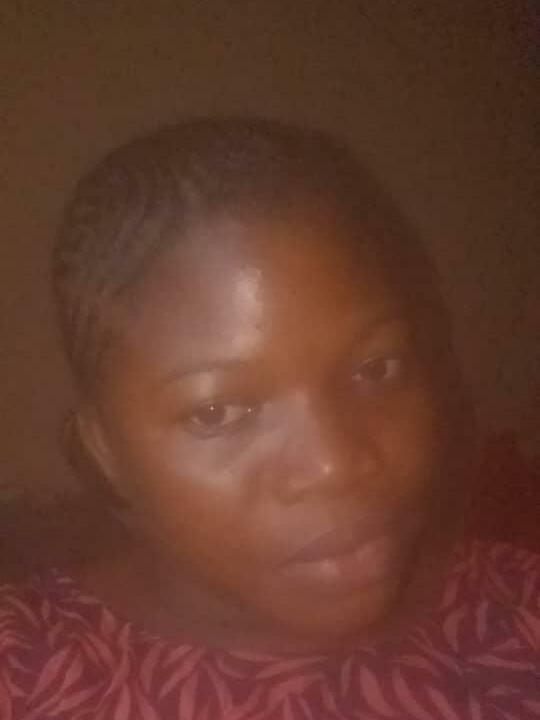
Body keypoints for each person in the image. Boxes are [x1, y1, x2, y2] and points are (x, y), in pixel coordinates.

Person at [1, 118, 538, 719]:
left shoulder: (519, 605)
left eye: (376, 368)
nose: (335, 463)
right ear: (106, 452)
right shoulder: (23, 671)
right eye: (217, 411)